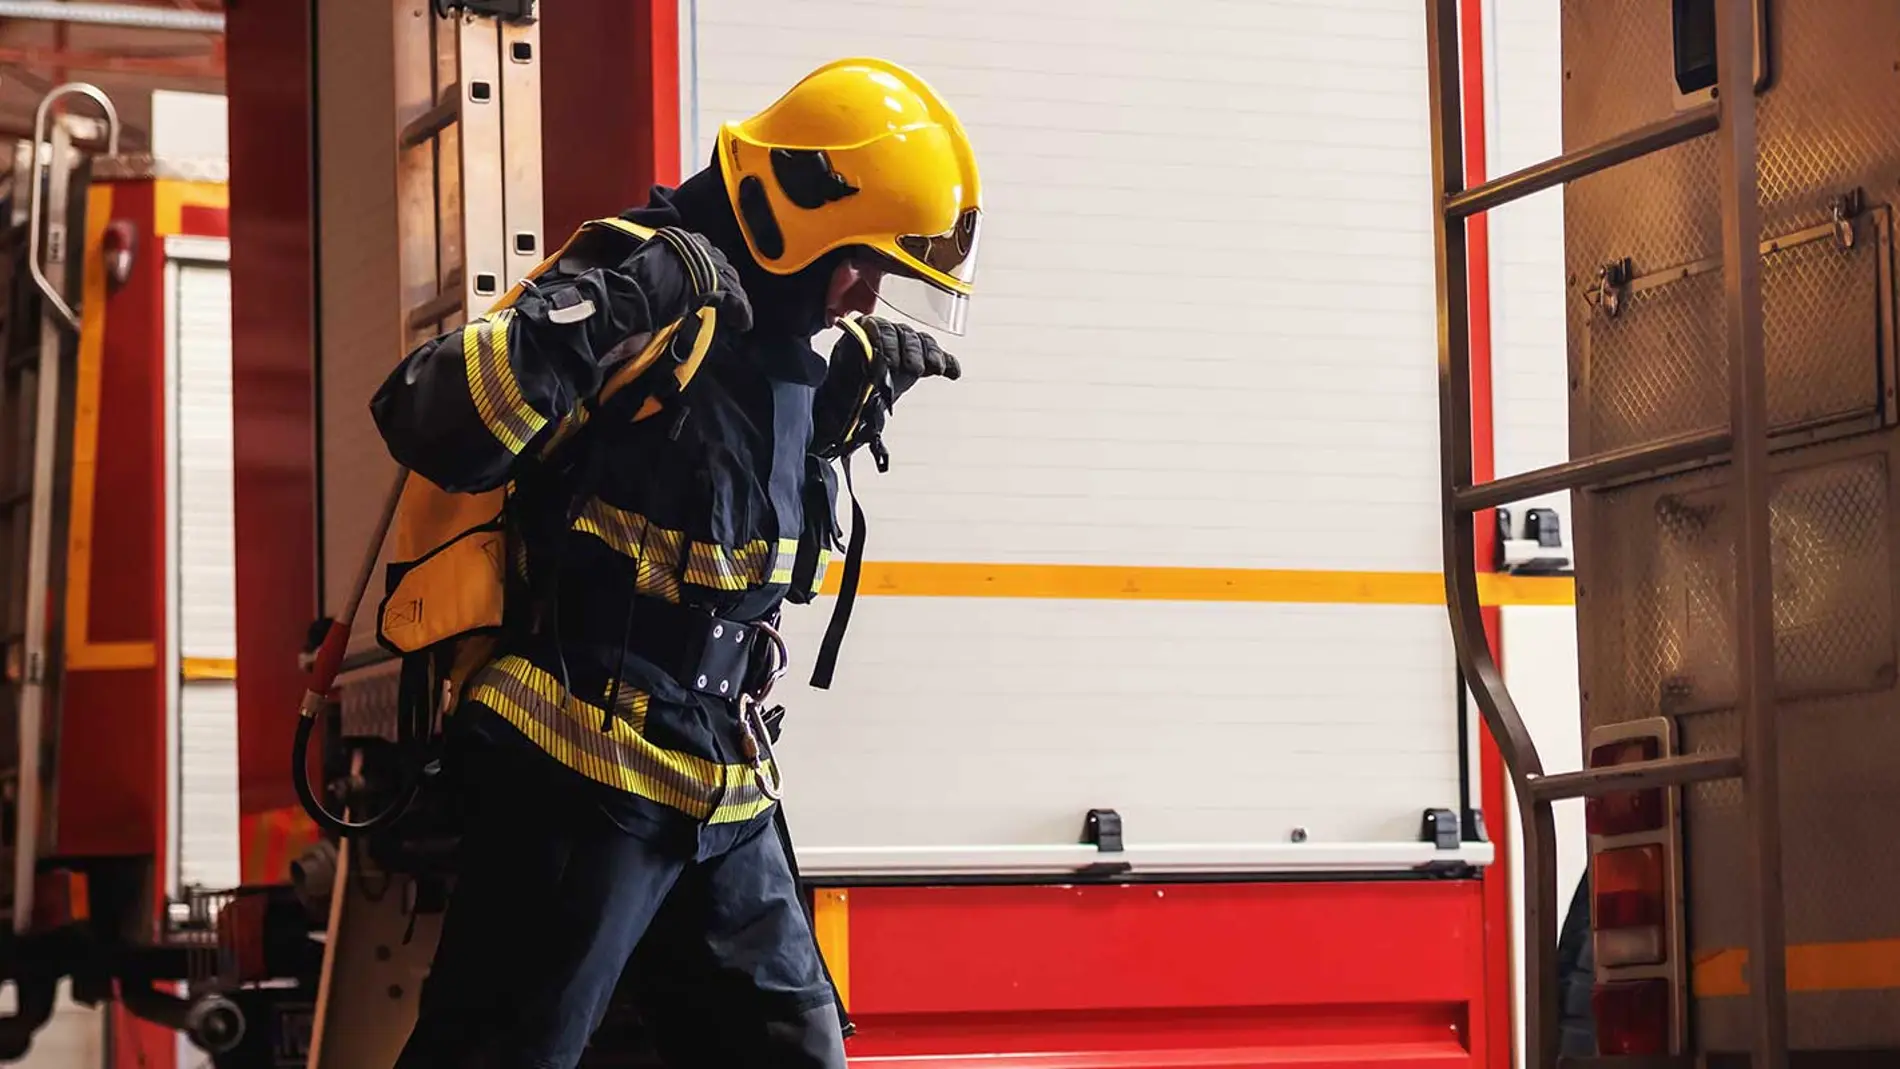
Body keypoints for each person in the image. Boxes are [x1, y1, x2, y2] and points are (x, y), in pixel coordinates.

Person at [372, 56, 981, 1068]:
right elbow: (426, 417)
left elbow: (724, 553)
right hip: (579, 770)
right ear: (801, 215)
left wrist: (831, 429)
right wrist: (610, 306)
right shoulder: (643, 272)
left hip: (721, 785)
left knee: (792, 1049)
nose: (866, 292)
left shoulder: (785, 347)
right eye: (863, 259)